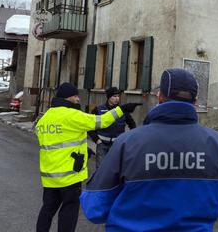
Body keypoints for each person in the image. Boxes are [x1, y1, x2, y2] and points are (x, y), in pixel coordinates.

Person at [80, 68, 218, 231]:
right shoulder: (217, 143)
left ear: (160, 96)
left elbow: (94, 208)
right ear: (195, 101)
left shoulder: (127, 143)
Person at [35, 82, 140, 232]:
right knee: (68, 211)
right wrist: (122, 109)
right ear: (68, 98)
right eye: (75, 96)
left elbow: (55, 142)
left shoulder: (45, 118)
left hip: (49, 176)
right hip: (69, 176)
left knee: (47, 210)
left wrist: (83, 149)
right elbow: (101, 121)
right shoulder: (73, 115)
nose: (78, 99)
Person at [88, 87, 136, 168]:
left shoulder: (123, 110)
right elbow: (89, 125)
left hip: (117, 145)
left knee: (116, 169)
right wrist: (96, 140)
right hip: (102, 145)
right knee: (101, 170)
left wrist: (129, 138)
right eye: (114, 96)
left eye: (118, 96)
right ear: (108, 97)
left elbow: (132, 124)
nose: (117, 98)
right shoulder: (98, 109)